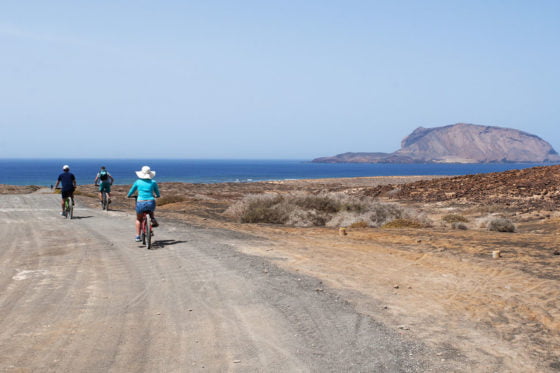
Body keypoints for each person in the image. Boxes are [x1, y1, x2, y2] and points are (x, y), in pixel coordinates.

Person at [126, 166, 161, 242]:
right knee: (151, 212)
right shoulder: (153, 182)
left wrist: (129, 195)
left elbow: (132, 190)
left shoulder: (138, 182)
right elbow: (157, 192)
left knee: (139, 219)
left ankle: (138, 236)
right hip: (150, 201)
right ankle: (153, 220)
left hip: (141, 202)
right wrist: (157, 195)